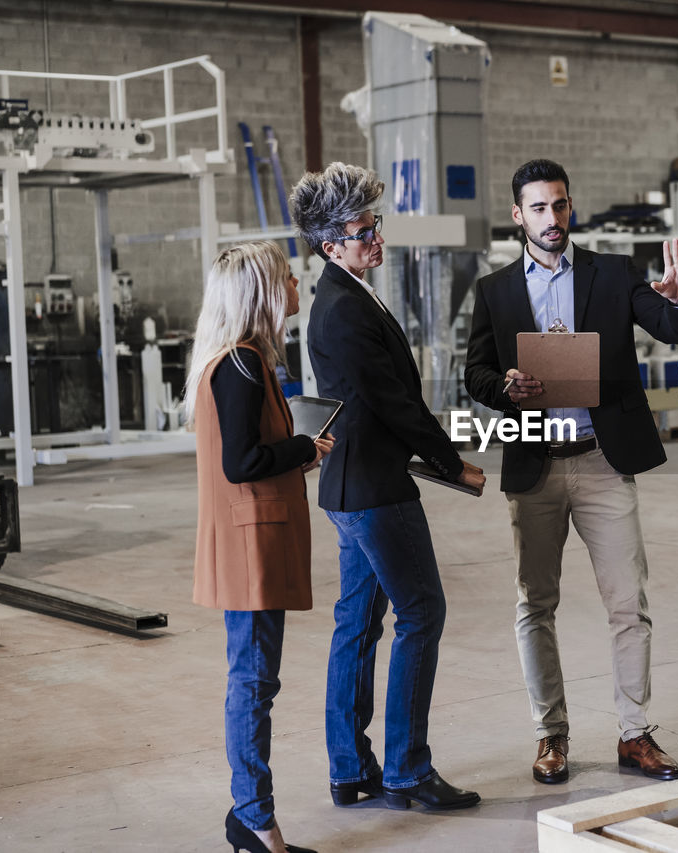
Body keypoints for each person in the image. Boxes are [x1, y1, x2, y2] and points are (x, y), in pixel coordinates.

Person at [464, 159, 678, 785]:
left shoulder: (614, 273)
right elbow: (476, 374)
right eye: (538, 208)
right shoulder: (496, 291)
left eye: (560, 206)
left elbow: (671, 328)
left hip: (601, 459)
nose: (552, 218)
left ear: (572, 208)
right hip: (536, 460)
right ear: (519, 216)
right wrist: (506, 385)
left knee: (629, 603)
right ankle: (551, 736)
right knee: (535, 604)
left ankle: (634, 734)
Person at [289, 162, 486, 812]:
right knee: (422, 613)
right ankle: (406, 769)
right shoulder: (342, 310)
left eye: (376, 224)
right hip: (375, 490)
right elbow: (395, 404)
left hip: (351, 490)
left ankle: (350, 768)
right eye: (362, 228)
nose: (375, 237)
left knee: (357, 624)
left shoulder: (345, 295)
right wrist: (452, 462)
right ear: (330, 244)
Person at [187, 241, 332, 853]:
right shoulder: (242, 365)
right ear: (262, 292)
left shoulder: (240, 362)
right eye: (288, 277)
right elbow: (244, 461)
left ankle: (250, 812)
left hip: (251, 540)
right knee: (252, 683)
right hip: (250, 548)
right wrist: (304, 448)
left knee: (254, 680)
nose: (297, 284)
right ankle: (253, 818)